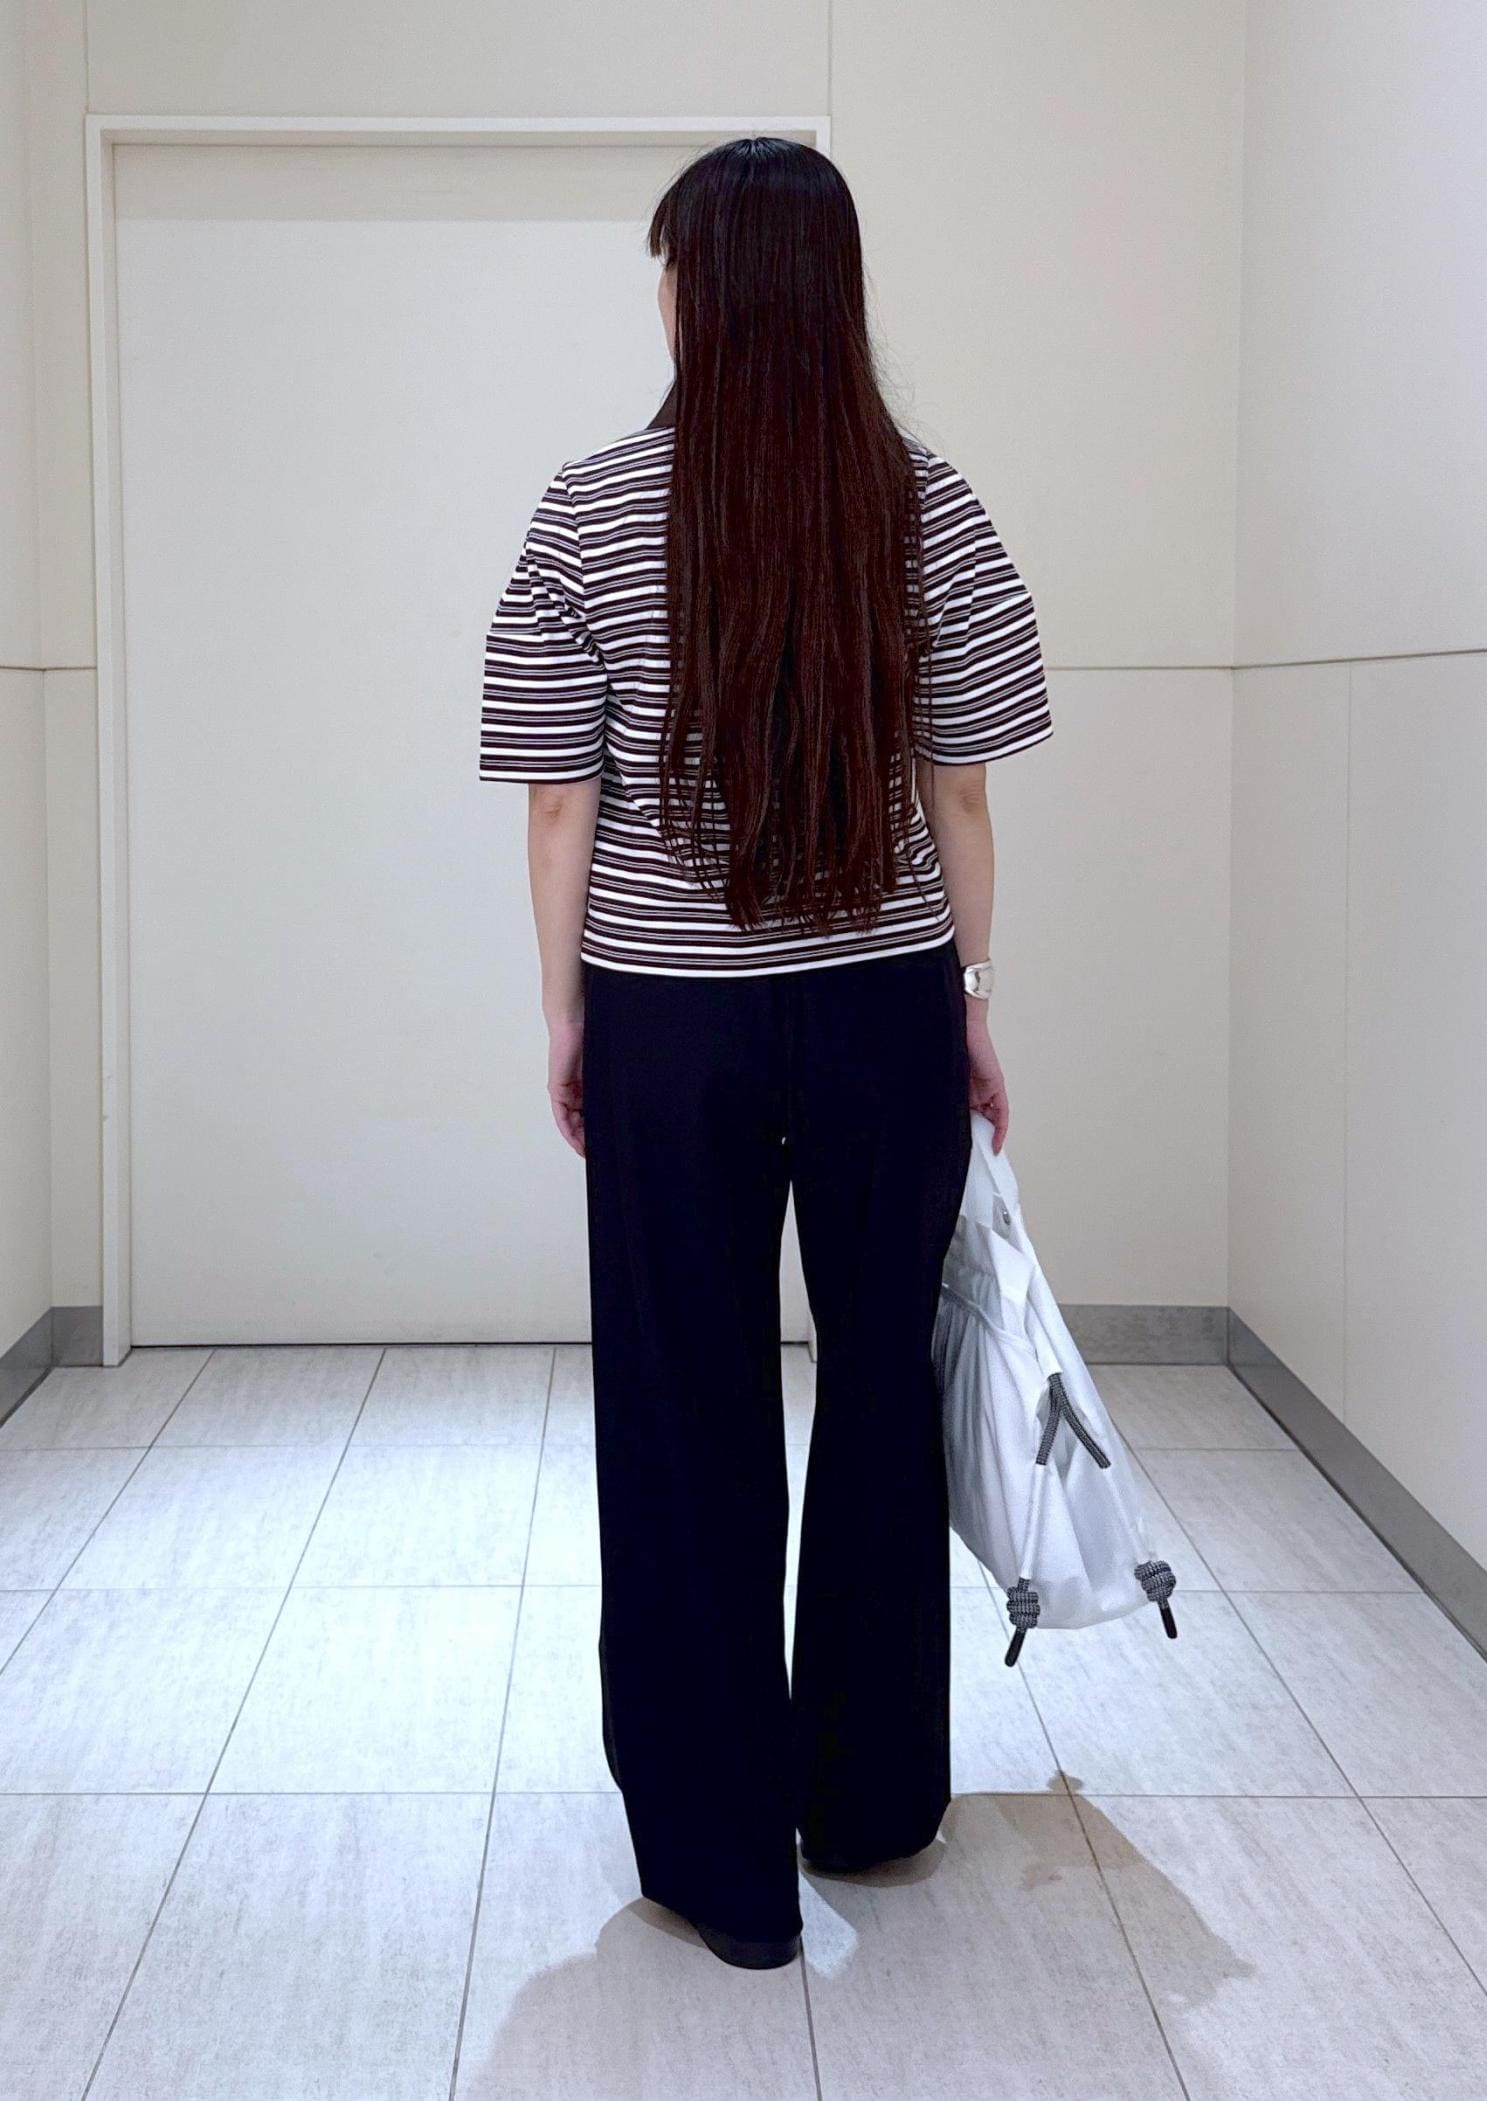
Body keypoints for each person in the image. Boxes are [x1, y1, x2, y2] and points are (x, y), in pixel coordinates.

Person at [479, 135, 1051, 1970]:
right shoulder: (928, 503)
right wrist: (969, 998)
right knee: (881, 1397)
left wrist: (569, 1010)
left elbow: (558, 803)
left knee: (682, 1409)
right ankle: (868, 1807)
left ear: (699, 293)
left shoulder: (590, 508)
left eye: (667, 267)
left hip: (673, 1022)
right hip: (884, 1012)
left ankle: (718, 1855)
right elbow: (962, 791)